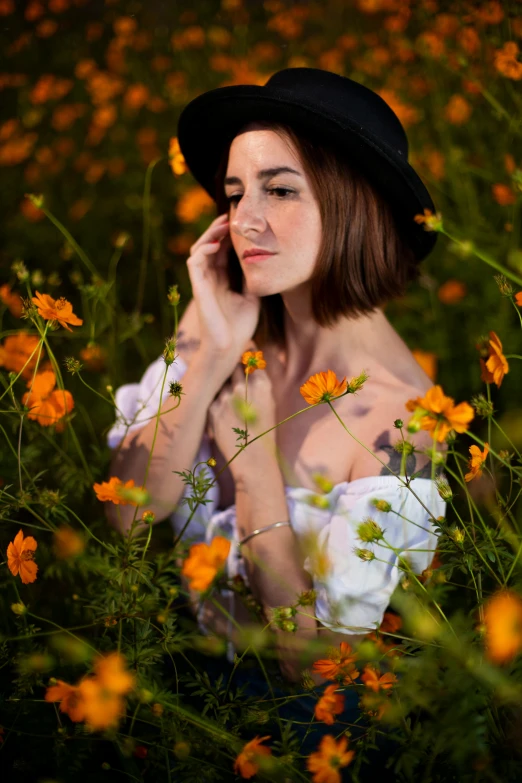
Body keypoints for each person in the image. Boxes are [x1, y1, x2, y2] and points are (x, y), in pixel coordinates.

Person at [105, 68, 445, 772]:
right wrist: (204, 365)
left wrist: (254, 463)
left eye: (280, 190)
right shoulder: (226, 314)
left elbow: (312, 664)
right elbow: (127, 515)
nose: (245, 219)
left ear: (356, 204)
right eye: (235, 194)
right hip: (182, 679)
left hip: (312, 735)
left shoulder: (402, 418)